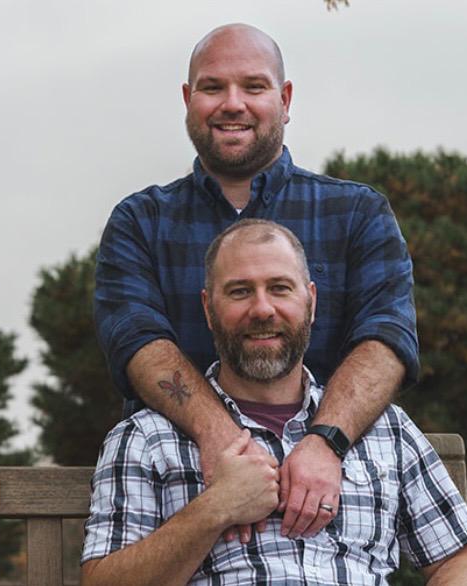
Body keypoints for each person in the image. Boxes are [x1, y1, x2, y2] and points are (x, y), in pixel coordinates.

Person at [94, 23, 418, 540]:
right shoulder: (140, 222)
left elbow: (387, 336)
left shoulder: (357, 213)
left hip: (334, 503)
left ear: (284, 100)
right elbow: (136, 340)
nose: (232, 103)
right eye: (213, 87)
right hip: (184, 501)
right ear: (188, 100)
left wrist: (325, 442)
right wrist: (224, 444)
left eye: (253, 86)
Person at [82, 220, 467, 586]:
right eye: (240, 291)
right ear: (208, 309)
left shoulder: (388, 429)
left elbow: (460, 562)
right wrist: (214, 510)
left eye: (279, 288)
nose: (262, 309)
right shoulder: (146, 438)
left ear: (311, 302)